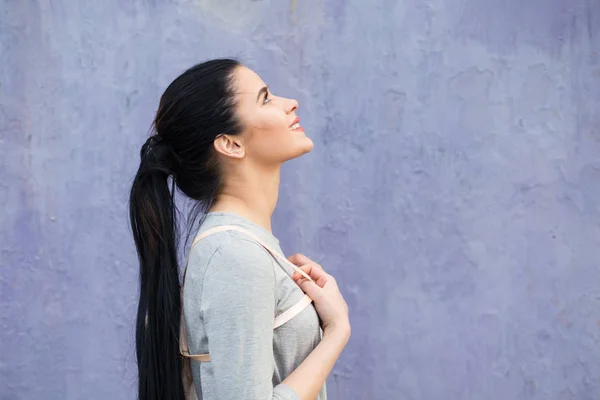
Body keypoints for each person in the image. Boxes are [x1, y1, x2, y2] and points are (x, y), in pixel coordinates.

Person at [129, 59, 350, 400]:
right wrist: (336, 331)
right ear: (230, 144)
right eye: (265, 98)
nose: (290, 102)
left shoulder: (244, 247)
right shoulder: (232, 255)